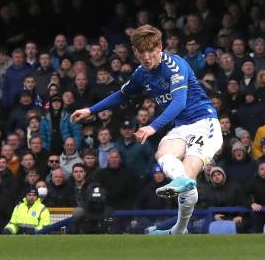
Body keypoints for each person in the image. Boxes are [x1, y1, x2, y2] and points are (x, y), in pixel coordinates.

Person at [71, 25, 221, 235]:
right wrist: (90, 109)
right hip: (182, 128)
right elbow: (122, 95)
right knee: (163, 153)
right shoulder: (141, 74)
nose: (147, 57)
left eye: (151, 52)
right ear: (135, 52)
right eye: (142, 53)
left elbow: (178, 102)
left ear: (159, 47)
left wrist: (152, 126)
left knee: (187, 173)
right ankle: (180, 220)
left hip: (206, 124)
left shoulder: (175, 65)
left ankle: (179, 226)